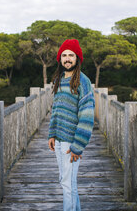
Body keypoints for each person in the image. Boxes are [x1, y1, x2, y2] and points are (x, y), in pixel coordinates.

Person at [48, 39, 95, 211]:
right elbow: (56, 109)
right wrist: (52, 134)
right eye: (64, 55)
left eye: (71, 55)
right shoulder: (59, 79)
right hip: (59, 139)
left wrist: (78, 146)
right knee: (67, 182)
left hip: (71, 143)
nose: (67, 59)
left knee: (68, 185)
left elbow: (87, 117)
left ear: (77, 58)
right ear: (60, 58)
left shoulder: (83, 81)